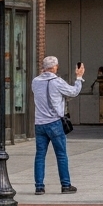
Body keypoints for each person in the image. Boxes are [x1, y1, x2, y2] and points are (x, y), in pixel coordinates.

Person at [31, 56, 83, 195]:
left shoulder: (35, 81)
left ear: (43, 67)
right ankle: (65, 185)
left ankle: (39, 186)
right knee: (61, 155)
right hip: (54, 123)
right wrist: (78, 78)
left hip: (39, 123)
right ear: (54, 67)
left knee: (40, 155)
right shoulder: (57, 81)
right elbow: (73, 92)